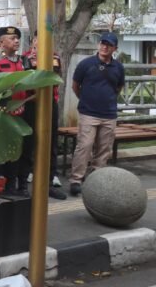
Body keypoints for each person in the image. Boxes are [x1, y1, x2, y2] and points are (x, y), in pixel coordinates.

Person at [68, 32, 125, 196]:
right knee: (84, 145)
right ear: (99, 45)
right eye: (102, 43)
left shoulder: (118, 67)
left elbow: (119, 87)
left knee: (104, 148)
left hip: (109, 114)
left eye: (108, 44)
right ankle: (76, 179)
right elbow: (75, 86)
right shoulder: (86, 64)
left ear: (115, 48)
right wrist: (86, 99)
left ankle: (96, 176)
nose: (104, 47)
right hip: (89, 113)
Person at [0, 26, 33, 197]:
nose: (16, 41)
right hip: (1, 113)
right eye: (12, 39)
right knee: (0, 148)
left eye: (17, 38)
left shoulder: (24, 61)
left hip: (22, 113)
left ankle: (15, 184)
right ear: (1, 42)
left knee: (20, 149)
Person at [24, 31, 67, 200]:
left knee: (51, 140)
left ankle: (51, 176)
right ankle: (27, 173)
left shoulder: (54, 56)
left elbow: (53, 75)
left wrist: (41, 60)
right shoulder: (25, 57)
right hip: (30, 103)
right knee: (28, 140)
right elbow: (28, 77)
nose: (40, 42)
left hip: (49, 103)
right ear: (33, 40)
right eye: (37, 39)